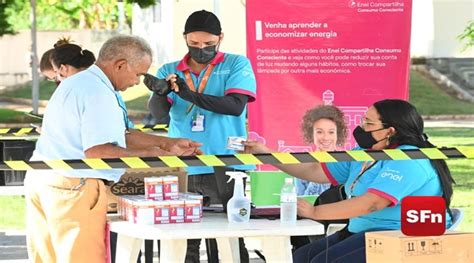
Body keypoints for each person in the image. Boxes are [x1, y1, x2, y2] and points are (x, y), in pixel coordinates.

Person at [24, 35, 202, 263]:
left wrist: (167, 143)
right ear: (120, 64)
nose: (138, 82)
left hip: (45, 179)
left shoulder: (78, 82)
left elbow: (122, 135)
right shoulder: (99, 93)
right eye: (138, 74)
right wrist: (155, 156)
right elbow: (99, 151)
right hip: (74, 187)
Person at [244, 99, 454, 263]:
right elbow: (315, 169)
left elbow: (372, 203)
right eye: (363, 120)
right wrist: (266, 154)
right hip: (366, 230)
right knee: (303, 257)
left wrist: (315, 212)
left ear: (390, 131)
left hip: (403, 236)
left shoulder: (410, 160)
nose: (361, 127)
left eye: (369, 123)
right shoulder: (366, 152)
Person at [146, 9, 256, 263]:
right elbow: (159, 115)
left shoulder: (236, 64)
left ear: (221, 38)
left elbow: (235, 106)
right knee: (184, 241)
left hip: (227, 162)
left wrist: (189, 95)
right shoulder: (170, 69)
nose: (201, 49)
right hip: (183, 164)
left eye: (209, 44)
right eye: (194, 43)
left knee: (229, 239)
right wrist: (160, 93)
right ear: (184, 38)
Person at [295, 105, 348, 196]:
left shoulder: (346, 163)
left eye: (331, 132)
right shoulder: (302, 163)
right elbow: (301, 200)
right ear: (311, 133)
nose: (326, 138)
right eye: (319, 132)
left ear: (338, 134)